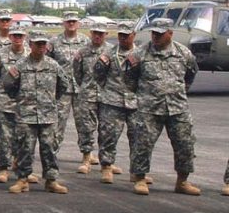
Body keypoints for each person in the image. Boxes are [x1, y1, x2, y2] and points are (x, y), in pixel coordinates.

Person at [123, 18, 201, 196]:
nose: (156, 37)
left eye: (160, 34)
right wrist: (143, 96)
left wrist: (179, 92)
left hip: (178, 107)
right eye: (154, 33)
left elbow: (190, 75)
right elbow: (129, 78)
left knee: (185, 144)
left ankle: (182, 181)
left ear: (170, 33)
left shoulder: (183, 53)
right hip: (149, 108)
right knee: (142, 144)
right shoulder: (139, 53)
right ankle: (140, 178)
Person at [1, 31, 70, 194]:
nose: (41, 47)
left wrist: (50, 100)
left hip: (48, 115)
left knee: (49, 148)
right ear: (30, 45)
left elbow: (63, 85)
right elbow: (9, 86)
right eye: (37, 44)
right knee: (25, 148)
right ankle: (22, 179)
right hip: (26, 115)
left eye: (43, 44)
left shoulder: (53, 65)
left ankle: (51, 180)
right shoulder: (20, 66)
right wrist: (21, 101)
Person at [0, 25, 31, 184]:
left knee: (25, 138)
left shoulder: (30, 54)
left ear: (24, 37)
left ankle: (23, 168)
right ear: (10, 37)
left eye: (20, 36)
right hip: (5, 100)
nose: (17, 38)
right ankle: (3, 168)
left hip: (25, 102)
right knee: (4, 136)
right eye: (15, 36)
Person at [94, 23, 137, 184]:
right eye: (120, 35)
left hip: (134, 102)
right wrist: (108, 89)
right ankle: (106, 166)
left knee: (138, 137)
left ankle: (137, 171)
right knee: (108, 135)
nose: (123, 38)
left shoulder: (140, 54)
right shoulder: (109, 53)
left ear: (134, 35)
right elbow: (97, 74)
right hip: (112, 101)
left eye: (126, 35)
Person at [48, 11, 92, 161]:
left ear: (78, 23)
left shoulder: (86, 41)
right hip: (62, 90)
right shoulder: (54, 42)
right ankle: (52, 153)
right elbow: (48, 63)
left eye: (74, 21)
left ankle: (87, 153)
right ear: (64, 23)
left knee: (84, 122)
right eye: (68, 21)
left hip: (81, 89)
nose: (71, 24)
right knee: (58, 122)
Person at [72, 23, 108, 174]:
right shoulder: (82, 52)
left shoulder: (111, 51)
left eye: (101, 33)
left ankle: (107, 163)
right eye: (95, 33)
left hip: (107, 96)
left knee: (107, 130)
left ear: (105, 34)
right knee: (86, 128)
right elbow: (77, 73)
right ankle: (86, 157)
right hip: (87, 95)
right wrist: (86, 87)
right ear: (90, 33)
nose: (97, 36)